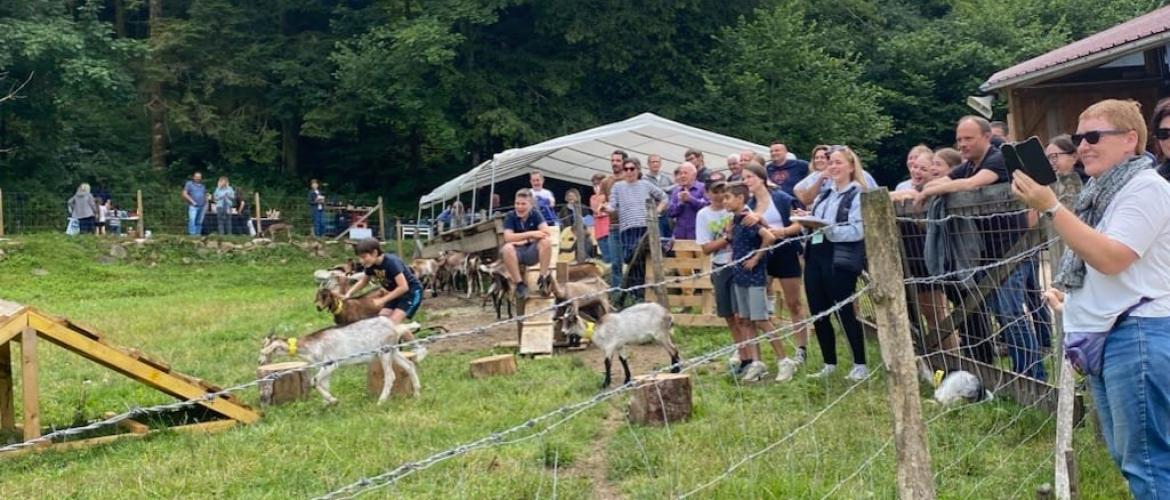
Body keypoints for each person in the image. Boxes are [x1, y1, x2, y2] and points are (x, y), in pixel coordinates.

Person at [1014, 99, 1170, 499]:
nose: (1082, 146)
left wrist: (1051, 206)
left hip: (1135, 335)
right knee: (1129, 457)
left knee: (1148, 465)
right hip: (1113, 334)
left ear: (1130, 140)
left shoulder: (1146, 188)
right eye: (1080, 137)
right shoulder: (1101, 191)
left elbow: (1112, 258)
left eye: (1094, 136)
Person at [918, 116, 1046, 379]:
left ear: (986, 137)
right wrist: (923, 190)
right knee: (999, 313)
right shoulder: (967, 166)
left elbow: (971, 184)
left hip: (1013, 249)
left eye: (968, 138)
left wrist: (930, 192)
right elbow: (941, 182)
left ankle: (1033, 375)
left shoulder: (997, 160)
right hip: (987, 255)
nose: (962, 144)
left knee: (1010, 312)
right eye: (959, 139)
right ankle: (1018, 373)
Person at [802, 146, 870, 381]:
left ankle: (860, 363)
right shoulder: (824, 194)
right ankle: (829, 362)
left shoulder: (857, 194)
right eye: (830, 163)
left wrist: (828, 230)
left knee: (844, 311)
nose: (833, 167)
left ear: (851, 166)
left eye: (838, 162)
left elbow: (858, 230)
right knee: (818, 311)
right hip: (815, 254)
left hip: (838, 256)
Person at [725, 183, 797, 382]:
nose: (725, 201)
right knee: (747, 320)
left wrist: (756, 258)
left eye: (728, 197)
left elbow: (769, 237)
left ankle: (784, 360)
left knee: (761, 320)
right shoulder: (735, 220)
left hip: (754, 277)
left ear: (740, 199)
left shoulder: (750, 219)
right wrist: (729, 234)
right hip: (740, 276)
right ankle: (757, 362)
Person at [739, 163, 809, 364]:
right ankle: (757, 353)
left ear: (761, 178)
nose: (746, 182)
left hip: (785, 251)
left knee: (794, 302)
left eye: (749, 177)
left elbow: (799, 223)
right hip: (762, 254)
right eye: (744, 178)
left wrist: (782, 232)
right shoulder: (748, 205)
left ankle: (801, 348)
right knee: (758, 304)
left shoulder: (782, 198)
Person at [695, 182, 745, 376]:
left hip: (739, 264)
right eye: (714, 191)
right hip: (719, 266)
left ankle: (747, 355)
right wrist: (727, 238)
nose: (719, 196)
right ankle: (740, 350)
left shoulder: (735, 210)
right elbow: (706, 248)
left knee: (742, 315)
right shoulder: (703, 215)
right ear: (707, 193)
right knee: (729, 315)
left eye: (723, 192)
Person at [345, 239, 424, 351]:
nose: (361, 261)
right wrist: (348, 293)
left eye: (363, 257)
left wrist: (383, 300)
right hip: (395, 293)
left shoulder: (391, 262)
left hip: (411, 292)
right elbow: (364, 281)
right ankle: (395, 347)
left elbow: (403, 287)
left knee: (392, 323)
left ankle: (417, 347)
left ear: (375, 253)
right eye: (360, 258)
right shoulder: (370, 265)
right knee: (381, 321)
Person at [606, 157, 667, 301]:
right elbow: (612, 205)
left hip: (645, 226)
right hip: (627, 228)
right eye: (625, 169)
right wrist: (605, 208)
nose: (628, 172)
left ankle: (639, 294)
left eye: (631, 169)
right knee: (630, 258)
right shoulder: (618, 186)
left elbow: (664, 197)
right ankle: (634, 292)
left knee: (642, 259)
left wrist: (657, 212)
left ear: (638, 170)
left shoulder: (645, 184)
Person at [500, 189, 552, 301]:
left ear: (531, 205)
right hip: (516, 253)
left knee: (546, 242)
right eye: (517, 203)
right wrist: (532, 234)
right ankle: (519, 284)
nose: (520, 207)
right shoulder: (510, 216)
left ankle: (543, 277)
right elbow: (508, 237)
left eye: (523, 204)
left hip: (531, 252)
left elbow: (546, 232)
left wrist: (523, 240)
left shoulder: (536, 214)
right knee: (507, 248)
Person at [601, 150, 628, 293]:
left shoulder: (629, 179)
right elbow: (601, 201)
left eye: (618, 160)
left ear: (624, 162)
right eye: (613, 160)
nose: (615, 163)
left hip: (630, 226)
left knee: (630, 261)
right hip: (613, 226)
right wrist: (602, 206)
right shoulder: (606, 182)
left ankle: (633, 292)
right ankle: (618, 294)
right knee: (616, 263)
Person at [666, 162, 708, 240]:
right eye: (681, 173)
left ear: (694, 175)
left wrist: (691, 199)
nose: (682, 176)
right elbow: (670, 213)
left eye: (686, 173)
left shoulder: (703, 188)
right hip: (681, 236)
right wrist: (680, 203)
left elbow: (708, 207)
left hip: (700, 235)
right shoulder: (676, 191)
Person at [590, 174, 611, 264]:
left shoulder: (611, 195)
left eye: (599, 184)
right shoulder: (593, 197)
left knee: (613, 255)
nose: (597, 187)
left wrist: (604, 207)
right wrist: (603, 205)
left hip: (610, 229)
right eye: (594, 185)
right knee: (606, 256)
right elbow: (596, 209)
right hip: (599, 231)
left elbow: (609, 208)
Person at [182, 171, 207, 236]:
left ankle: (198, 234)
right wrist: (192, 201)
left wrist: (205, 203)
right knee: (192, 219)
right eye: (196, 177)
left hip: (202, 205)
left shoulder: (203, 186)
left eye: (199, 177)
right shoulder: (189, 184)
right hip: (193, 205)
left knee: (199, 221)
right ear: (193, 177)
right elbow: (184, 194)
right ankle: (192, 234)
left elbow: (205, 195)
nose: (198, 178)